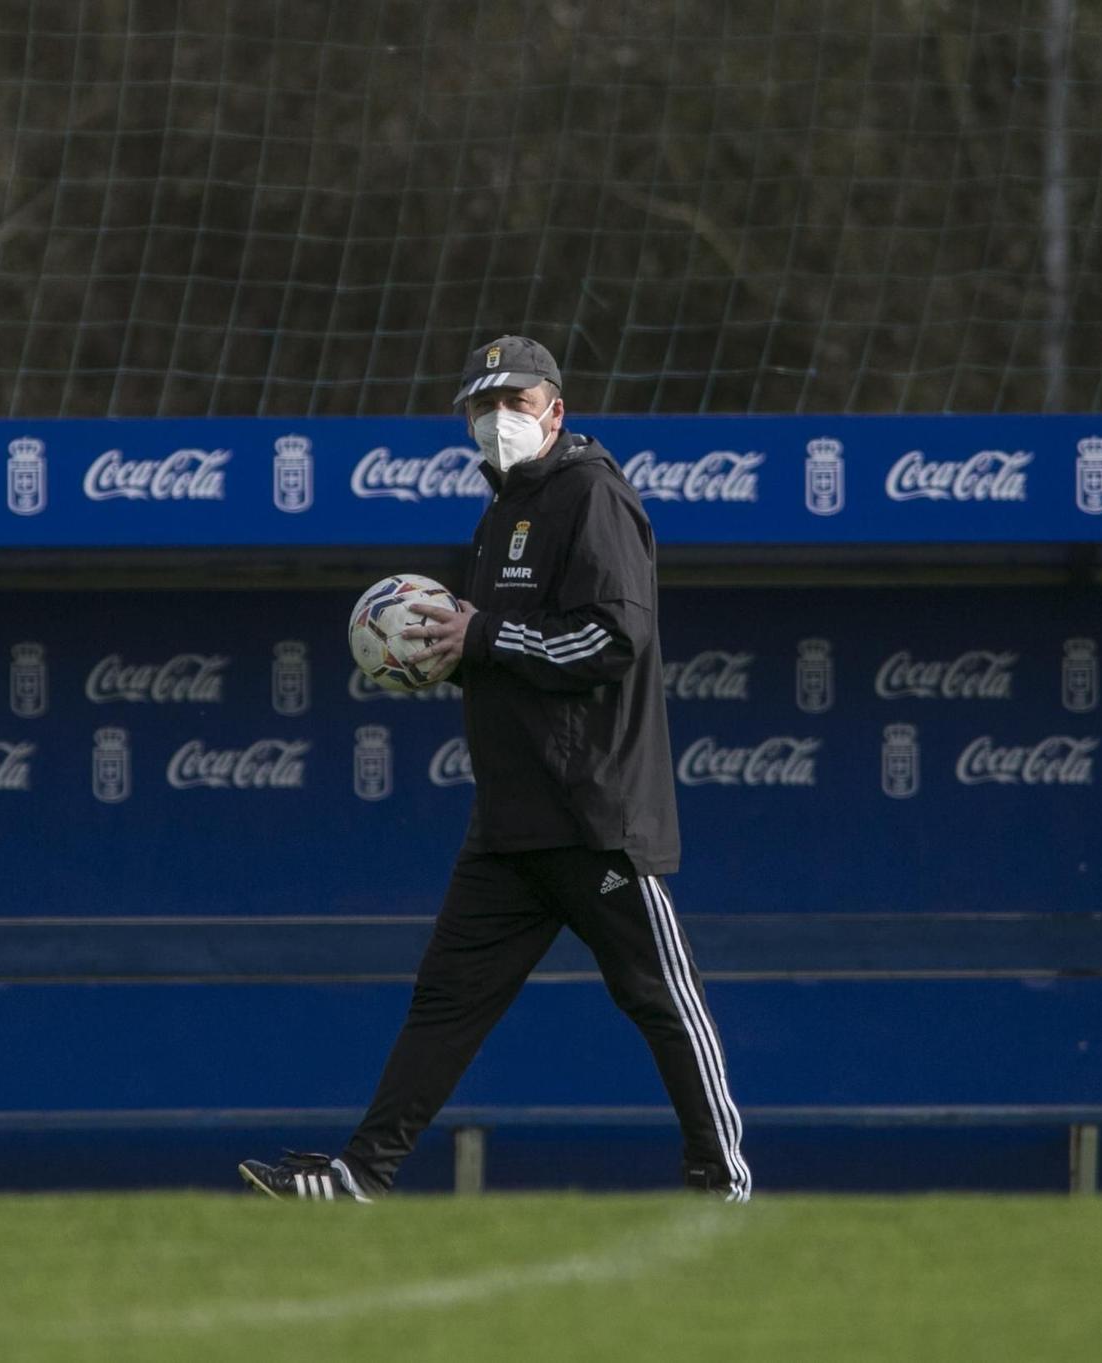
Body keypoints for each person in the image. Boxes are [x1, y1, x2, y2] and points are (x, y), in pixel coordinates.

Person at [240, 335, 751, 1202]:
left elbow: (615, 636)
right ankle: (363, 1174)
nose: (497, 420)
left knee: (662, 997)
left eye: (514, 402)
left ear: (555, 409)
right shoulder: (499, 512)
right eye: (483, 406)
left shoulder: (592, 495)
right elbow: (507, 647)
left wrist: (482, 635)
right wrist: (443, 651)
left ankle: (721, 1176)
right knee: (445, 1000)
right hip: (513, 819)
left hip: (593, 812)